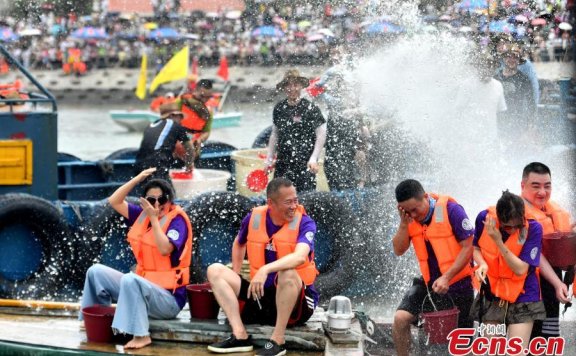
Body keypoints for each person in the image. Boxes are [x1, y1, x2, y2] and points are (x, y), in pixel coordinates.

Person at [79, 168, 193, 349]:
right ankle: (94, 319)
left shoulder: (177, 221)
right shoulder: (141, 216)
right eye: (151, 200)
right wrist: (137, 179)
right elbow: (114, 201)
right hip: (143, 292)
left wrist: (155, 220)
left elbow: (165, 249)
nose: (156, 204)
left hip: (168, 302)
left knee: (131, 279)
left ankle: (141, 335)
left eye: (161, 199)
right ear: (144, 202)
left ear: (170, 200)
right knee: (96, 272)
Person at [206, 177, 320, 356]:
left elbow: (299, 257)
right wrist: (236, 274)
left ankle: (277, 340)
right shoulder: (254, 218)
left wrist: (265, 269)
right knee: (214, 270)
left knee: (287, 273)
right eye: (288, 202)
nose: (293, 206)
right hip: (262, 298)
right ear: (271, 203)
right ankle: (240, 335)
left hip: (296, 305)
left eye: (295, 200)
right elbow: (239, 243)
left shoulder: (305, 223)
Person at [391, 179, 475, 356]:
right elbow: (398, 250)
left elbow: (469, 247)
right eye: (407, 211)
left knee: (457, 345)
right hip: (429, 285)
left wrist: (447, 277)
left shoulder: (452, 210)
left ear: (425, 197)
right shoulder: (408, 219)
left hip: (458, 285)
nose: (413, 215)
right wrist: (404, 224)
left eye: (415, 209)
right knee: (400, 319)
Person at [471, 191, 546, 351]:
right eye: (507, 227)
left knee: (516, 351)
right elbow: (475, 248)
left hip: (524, 294)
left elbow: (521, 269)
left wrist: (498, 241)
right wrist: (482, 263)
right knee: (491, 350)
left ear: (523, 217)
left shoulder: (534, 228)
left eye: (517, 226)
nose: (512, 230)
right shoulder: (483, 218)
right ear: (498, 218)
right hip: (494, 293)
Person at [520, 162, 573, 340]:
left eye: (547, 186)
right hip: (525, 289)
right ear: (522, 186)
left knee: (547, 340)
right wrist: (558, 284)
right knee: (527, 342)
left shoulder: (552, 210)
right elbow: (537, 255)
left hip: (550, 286)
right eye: (536, 186)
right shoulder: (516, 213)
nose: (542, 192)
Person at [265, 69, 326, 193]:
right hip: (283, 162)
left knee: (304, 199)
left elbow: (321, 134)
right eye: (288, 84)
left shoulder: (310, 108)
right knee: (280, 196)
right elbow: (274, 134)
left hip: (305, 163)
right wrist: (269, 159)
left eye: (295, 84)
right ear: (284, 87)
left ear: (301, 86)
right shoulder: (279, 108)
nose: (292, 88)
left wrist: (314, 158)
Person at [134, 102, 194, 182]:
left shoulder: (151, 125)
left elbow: (154, 145)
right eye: (180, 116)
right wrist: (189, 166)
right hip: (157, 166)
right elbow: (190, 149)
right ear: (172, 115)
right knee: (168, 192)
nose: (181, 120)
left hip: (139, 166)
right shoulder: (176, 126)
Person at [494, 43, 537, 143]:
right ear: (504, 58)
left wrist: (530, 124)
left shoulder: (524, 79)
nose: (512, 60)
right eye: (509, 57)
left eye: (515, 58)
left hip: (516, 122)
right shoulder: (496, 78)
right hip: (498, 121)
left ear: (519, 61)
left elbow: (531, 103)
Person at [177, 78, 214, 158]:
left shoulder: (209, 111)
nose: (204, 100)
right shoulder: (182, 101)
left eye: (208, 97)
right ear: (195, 90)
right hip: (175, 148)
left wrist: (200, 140)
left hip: (193, 151)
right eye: (202, 96)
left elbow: (206, 132)